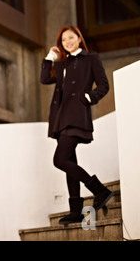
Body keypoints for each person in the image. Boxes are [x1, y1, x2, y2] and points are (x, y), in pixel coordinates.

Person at [41, 25, 112, 225]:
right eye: (64, 40)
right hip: (61, 119)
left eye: (71, 38)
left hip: (77, 115)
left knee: (60, 160)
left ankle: (100, 190)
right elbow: (45, 78)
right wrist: (49, 58)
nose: (68, 42)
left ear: (79, 39)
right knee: (68, 161)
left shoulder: (91, 59)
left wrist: (88, 97)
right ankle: (75, 211)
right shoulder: (63, 63)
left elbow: (104, 85)